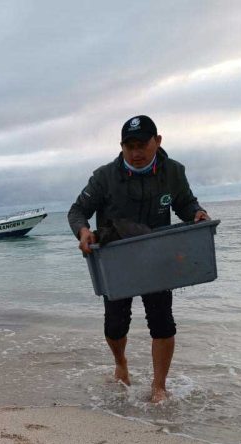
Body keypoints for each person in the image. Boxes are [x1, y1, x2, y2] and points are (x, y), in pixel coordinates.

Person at [67, 115, 210, 403]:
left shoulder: (173, 171)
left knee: (163, 323)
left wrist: (197, 213)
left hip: (157, 257)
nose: (137, 152)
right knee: (115, 325)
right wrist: (82, 231)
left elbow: (185, 203)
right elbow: (77, 210)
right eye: (129, 146)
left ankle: (159, 386)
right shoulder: (104, 176)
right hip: (116, 259)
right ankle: (121, 364)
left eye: (142, 144)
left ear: (157, 141)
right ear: (121, 147)